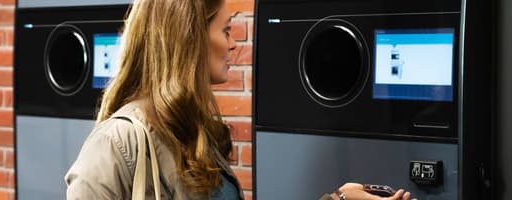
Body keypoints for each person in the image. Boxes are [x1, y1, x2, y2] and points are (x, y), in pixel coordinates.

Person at [64, 0, 415, 199]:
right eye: (226, 30)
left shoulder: (197, 133)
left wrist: (339, 199)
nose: (234, 44)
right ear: (189, 39)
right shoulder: (116, 143)